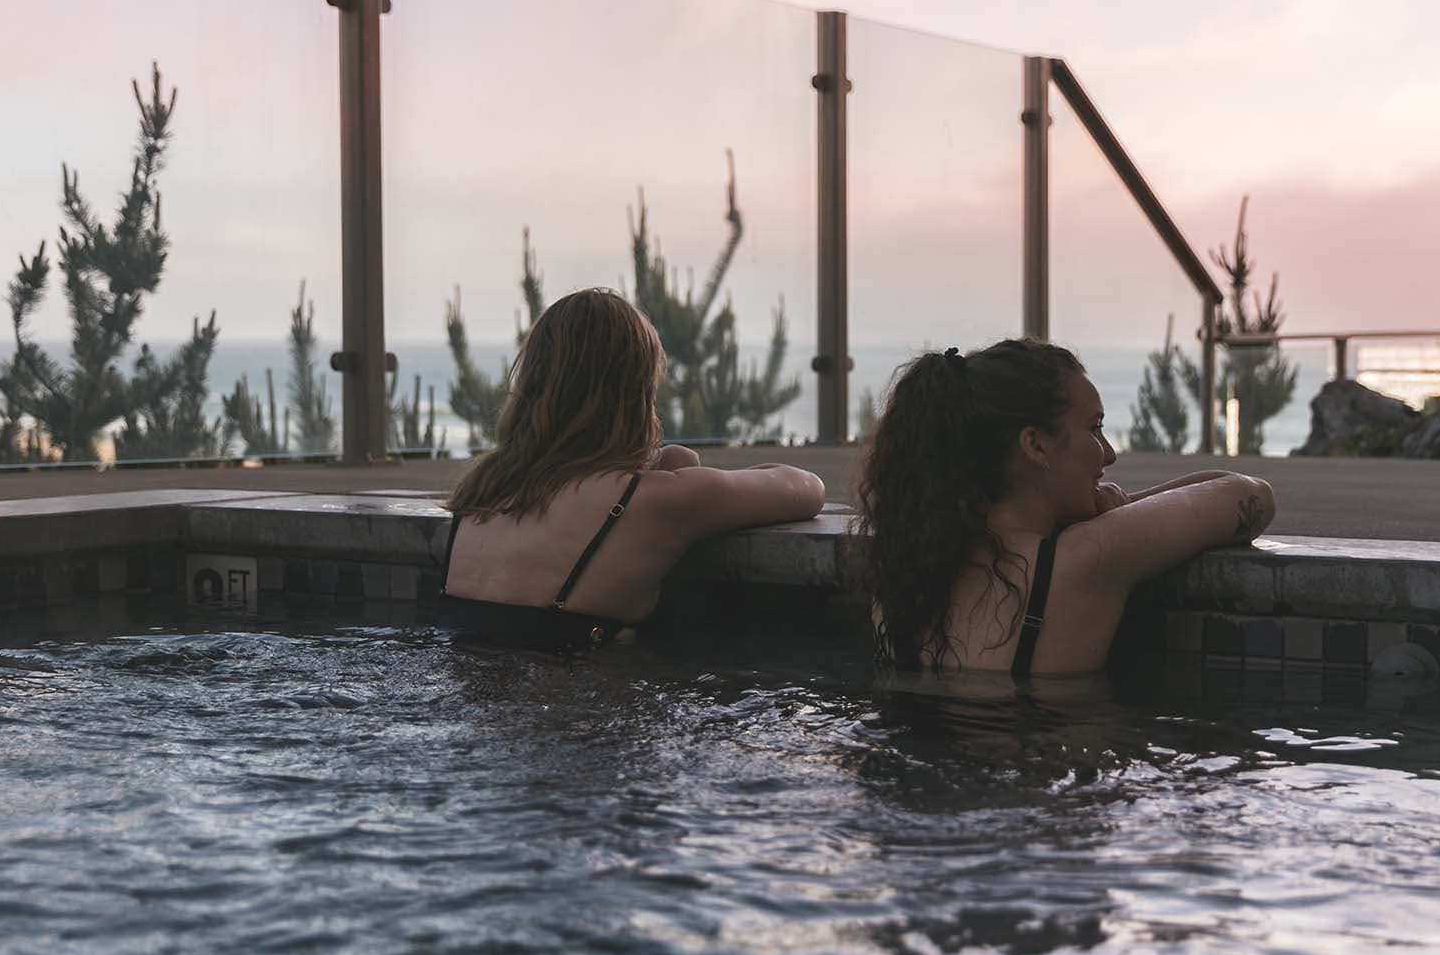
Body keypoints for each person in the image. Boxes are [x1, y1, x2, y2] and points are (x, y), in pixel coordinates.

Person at [856, 339, 1275, 677]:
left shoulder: (902, 570)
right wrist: (1122, 506)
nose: (1108, 454)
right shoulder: (1082, 559)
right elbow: (1247, 493)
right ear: (1036, 444)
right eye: (1094, 428)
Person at [437, 288, 825, 648]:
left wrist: (671, 464)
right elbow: (806, 487)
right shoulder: (653, 501)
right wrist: (679, 471)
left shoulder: (480, 491)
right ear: (634, 391)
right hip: (582, 713)